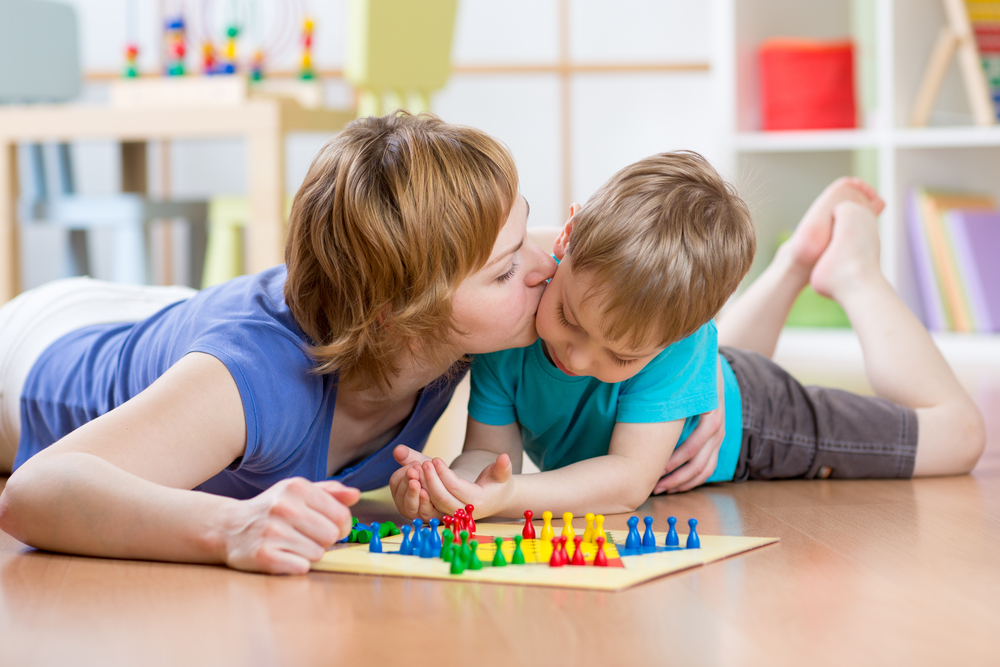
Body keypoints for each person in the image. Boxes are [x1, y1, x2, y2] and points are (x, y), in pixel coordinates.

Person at [0, 113, 563, 574]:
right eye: (505, 270)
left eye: (525, 231)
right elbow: (32, 494)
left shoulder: (462, 292)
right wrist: (231, 527)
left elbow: (610, 274)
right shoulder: (260, 378)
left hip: (167, 316)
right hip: (36, 355)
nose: (546, 266)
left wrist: (652, 436)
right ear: (401, 314)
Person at [390, 152, 986, 520]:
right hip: (700, 370)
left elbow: (627, 483)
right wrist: (453, 488)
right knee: (709, 359)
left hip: (757, 422)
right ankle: (796, 262)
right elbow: (487, 457)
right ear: (564, 243)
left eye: (621, 356)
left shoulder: (674, 342)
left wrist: (507, 498)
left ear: (682, 336)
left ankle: (853, 272)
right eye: (569, 318)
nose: (577, 357)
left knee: (959, 438)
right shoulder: (513, 325)